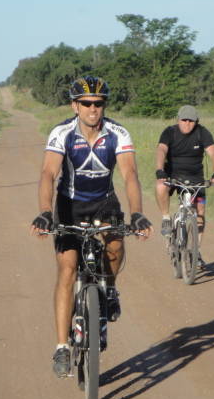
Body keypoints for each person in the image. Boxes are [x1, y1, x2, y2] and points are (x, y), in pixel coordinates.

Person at [30, 76, 152, 378]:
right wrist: (45, 212)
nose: (93, 109)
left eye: (98, 103)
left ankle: (109, 289)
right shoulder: (62, 133)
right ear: (75, 105)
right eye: (86, 103)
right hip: (70, 203)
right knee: (68, 268)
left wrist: (137, 213)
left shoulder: (118, 133)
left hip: (103, 200)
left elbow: (130, 174)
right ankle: (61, 347)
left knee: (115, 243)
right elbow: (48, 173)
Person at [154, 105, 214, 268]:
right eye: (184, 120)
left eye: (191, 121)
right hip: (172, 174)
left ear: (196, 121)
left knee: (200, 211)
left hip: (195, 178)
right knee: (160, 186)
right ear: (178, 120)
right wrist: (159, 169)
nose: (187, 124)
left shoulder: (202, 132)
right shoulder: (169, 132)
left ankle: (195, 251)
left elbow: (213, 153)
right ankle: (165, 218)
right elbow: (161, 150)